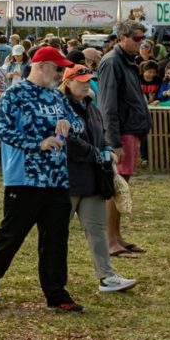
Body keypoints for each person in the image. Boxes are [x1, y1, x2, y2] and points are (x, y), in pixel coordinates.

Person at [0, 47, 85, 313]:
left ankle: (56, 293)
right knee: (12, 235)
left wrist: (66, 124)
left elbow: (79, 125)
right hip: (24, 179)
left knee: (55, 239)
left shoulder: (56, 96)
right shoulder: (14, 94)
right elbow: (2, 131)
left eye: (62, 69)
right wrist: (38, 143)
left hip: (56, 178)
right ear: (40, 66)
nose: (61, 74)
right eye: (57, 68)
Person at [60, 65, 139, 291]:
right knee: (57, 233)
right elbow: (70, 143)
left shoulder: (91, 107)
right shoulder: (60, 108)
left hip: (93, 180)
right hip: (69, 180)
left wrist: (106, 149)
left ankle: (107, 276)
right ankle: (54, 279)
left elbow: (100, 134)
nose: (86, 84)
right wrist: (97, 153)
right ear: (68, 82)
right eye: (81, 80)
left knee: (97, 229)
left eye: (88, 80)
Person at [98, 20, 152, 258]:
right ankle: (111, 241)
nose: (142, 43)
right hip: (121, 133)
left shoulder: (127, 60)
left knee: (122, 187)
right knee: (115, 187)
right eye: (137, 39)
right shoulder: (112, 62)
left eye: (143, 39)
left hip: (129, 130)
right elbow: (107, 105)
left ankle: (117, 237)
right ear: (122, 37)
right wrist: (114, 142)